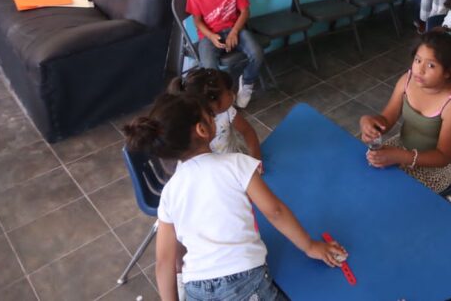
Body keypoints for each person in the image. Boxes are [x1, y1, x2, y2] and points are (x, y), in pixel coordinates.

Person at [123, 92, 346, 301]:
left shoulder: (169, 193)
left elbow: (164, 262)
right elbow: (275, 211)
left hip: (196, 288)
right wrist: (310, 246)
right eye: (210, 115)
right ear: (202, 129)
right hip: (244, 281)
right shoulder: (237, 164)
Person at [359, 29, 451, 193]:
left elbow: (443, 157)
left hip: (436, 167)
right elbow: (387, 119)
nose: (420, 69)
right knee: (365, 173)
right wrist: (369, 123)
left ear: (448, 71)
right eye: (418, 60)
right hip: (402, 146)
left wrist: (400, 156)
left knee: (395, 191)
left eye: (431, 65)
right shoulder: (407, 80)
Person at [186, 0, 265, 109]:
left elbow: (245, 11)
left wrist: (234, 31)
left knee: (257, 53)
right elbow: (197, 21)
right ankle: (222, 96)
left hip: (234, 29)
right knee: (209, 69)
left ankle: (247, 82)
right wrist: (211, 36)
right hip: (209, 36)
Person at [168, 68, 261, 160]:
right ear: (214, 103)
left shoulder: (227, 111)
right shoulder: (191, 131)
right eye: (228, 92)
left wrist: (256, 159)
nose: (233, 94)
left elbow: (247, 131)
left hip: (234, 161)